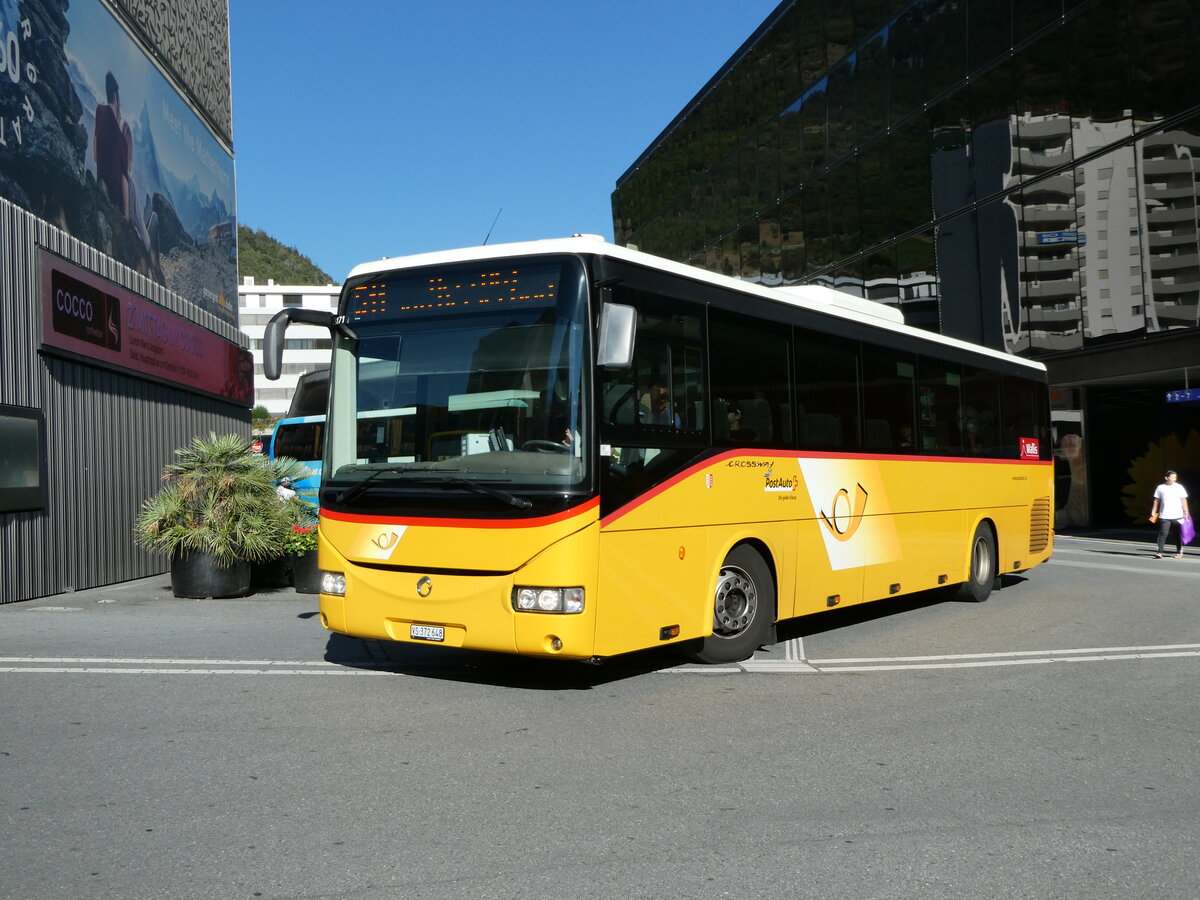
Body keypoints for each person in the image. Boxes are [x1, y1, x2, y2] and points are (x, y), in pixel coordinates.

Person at [1149, 469, 1190, 559]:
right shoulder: (1160, 487)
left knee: (1177, 534)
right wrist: (1153, 511)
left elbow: (1183, 499)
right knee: (1163, 533)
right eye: (1172, 477)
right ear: (1166, 478)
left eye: (1175, 478)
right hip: (1164, 515)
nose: (1174, 479)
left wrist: (1186, 511)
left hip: (1177, 515)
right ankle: (1159, 552)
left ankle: (1179, 551)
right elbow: (1156, 500)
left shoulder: (1179, 487)